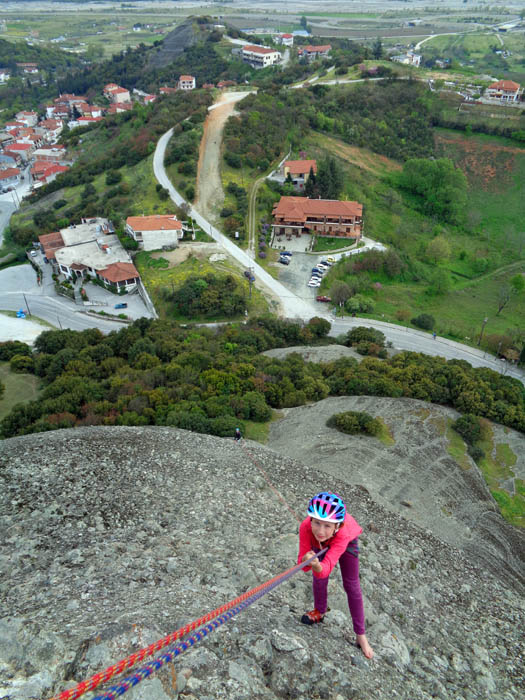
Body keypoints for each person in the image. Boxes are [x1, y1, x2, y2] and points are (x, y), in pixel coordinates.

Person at [297, 492, 374, 659]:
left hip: (345, 541)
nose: (320, 531)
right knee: (318, 578)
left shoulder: (343, 533)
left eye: (327, 526)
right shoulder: (306, 528)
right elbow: (302, 568)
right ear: (311, 520)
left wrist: (317, 564)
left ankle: (361, 635)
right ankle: (320, 611)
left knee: (351, 584)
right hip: (326, 542)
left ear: (337, 526)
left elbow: (327, 567)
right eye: (317, 523)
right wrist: (306, 560)